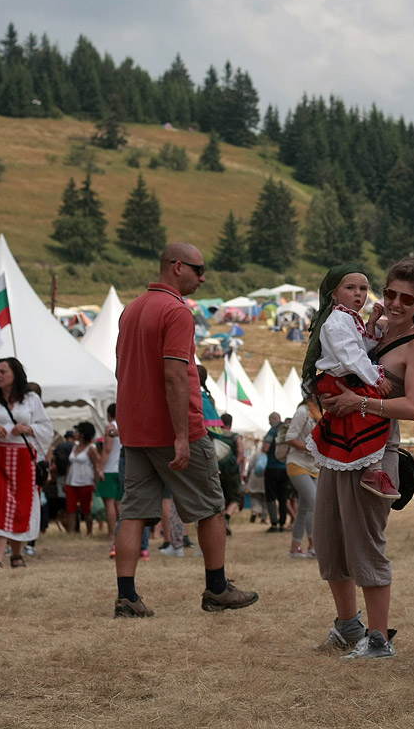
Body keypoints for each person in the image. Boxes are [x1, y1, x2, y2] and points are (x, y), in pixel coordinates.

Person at [113, 242, 258, 617]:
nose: (203, 276)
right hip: (175, 429)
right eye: (198, 269)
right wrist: (181, 435)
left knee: (133, 513)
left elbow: (122, 371)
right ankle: (217, 589)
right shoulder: (176, 312)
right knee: (211, 507)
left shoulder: (131, 310)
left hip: (134, 430)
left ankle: (127, 597)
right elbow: (175, 375)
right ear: (177, 267)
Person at [311, 257, 414, 660]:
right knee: (330, 541)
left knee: (365, 544)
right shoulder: (368, 333)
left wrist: (359, 401)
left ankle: (378, 638)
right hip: (338, 447)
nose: (395, 303)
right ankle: (349, 626)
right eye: (390, 294)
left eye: (407, 298)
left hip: (377, 454)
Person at [304, 264, 394, 499]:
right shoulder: (337, 322)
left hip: (341, 378)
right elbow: (352, 356)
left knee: (359, 418)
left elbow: (358, 349)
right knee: (372, 412)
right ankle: (372, 471)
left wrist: (371, 324)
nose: (358, 294)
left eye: (363, 289)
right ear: (334, 293)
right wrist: (376, 379)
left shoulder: (347, 319)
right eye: (350, 288)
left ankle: (365, 467)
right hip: (339, 380)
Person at [0, 357, 53, 568]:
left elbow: (47, 428)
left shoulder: (31, 399)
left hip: (23, 458)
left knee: (22, 504)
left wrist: (28, 429)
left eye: (3, 371)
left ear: (15, 375)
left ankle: (17, 554)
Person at [285, 399, 322, 558]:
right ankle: (314, 547)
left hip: (313, 466)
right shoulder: (302, 412)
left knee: (304, 508)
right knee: (314, 503)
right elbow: (290, 437)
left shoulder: (319, 412)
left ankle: (295, 549)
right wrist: (310, 448)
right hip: (297, 463)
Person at [211, 412, 245, 534]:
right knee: (235, 499)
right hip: (231, 474)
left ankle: (218, 523)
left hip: (216, 471)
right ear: (231, 423)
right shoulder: (235, 437)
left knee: (220, 498)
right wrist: (234, 466)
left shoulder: (215, 435)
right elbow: (240, 453)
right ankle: (227, 517)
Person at [66, 421, 101, 536]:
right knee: (70, 508)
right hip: (71, 481)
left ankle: (89, 531)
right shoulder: (74, 447)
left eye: (77, 431)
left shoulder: (91, 449)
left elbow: (97, 465)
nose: (75, 433)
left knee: (86, 509)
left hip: (86, 481)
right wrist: (66, 480)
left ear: (82, 434)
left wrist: (96, 482)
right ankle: (71, 532)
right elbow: (70, 465)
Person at [98, 403, 123, 556]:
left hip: (109, 469)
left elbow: (107, 449)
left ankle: (112, 533)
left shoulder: (110, 427)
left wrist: (100, 468)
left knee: (109, 503)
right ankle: (121, 532)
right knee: (120, 503)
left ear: (109, 414)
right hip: (120, 468)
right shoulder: (123, 426)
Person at [261, 412, 290, 532]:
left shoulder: (272, 431)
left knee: (271, 496)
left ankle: (274, 524)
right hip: (285, 468)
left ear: (273, 419)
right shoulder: (286, 430)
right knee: (283, 497)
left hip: (272, 467)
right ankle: (283, 524)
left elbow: (265, 448)